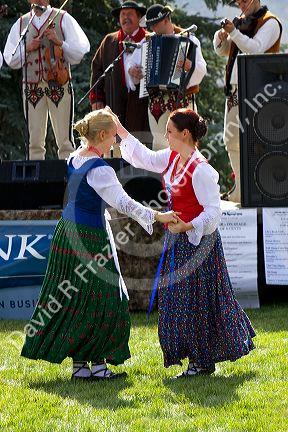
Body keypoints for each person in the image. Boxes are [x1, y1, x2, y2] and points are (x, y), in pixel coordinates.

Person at [21, 108, 178, 381]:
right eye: (114, 138)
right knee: (105, 300)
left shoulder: (75, 158)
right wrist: (158, 215)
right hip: (88, 238)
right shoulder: (100, 169)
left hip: (67, 232)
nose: (115, 144)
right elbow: (125, 204)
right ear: (102, 135)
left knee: (78, 299)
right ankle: (98, 367)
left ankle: (82, 367)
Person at [114, 107, 256, 378]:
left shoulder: (201, 170)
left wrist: (189, 225)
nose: (166, 136)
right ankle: (195, 358)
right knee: (178, 301)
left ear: (185, 134)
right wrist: (119, 129)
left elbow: (214, 212)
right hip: (178, 240)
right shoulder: (171, 158)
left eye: (169, 131)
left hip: (199, 243)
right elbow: (144, 157)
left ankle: (201, 361)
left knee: (198, 302)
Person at [213, 0, 282, 202]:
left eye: (244, 0)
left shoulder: (270, 22)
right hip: (236, 88)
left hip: (258, 91)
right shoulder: (241, 22)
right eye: (238, 1)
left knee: (258, 141)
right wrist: (221, 36)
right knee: (232, 139)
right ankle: (241, 189)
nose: (241, 4)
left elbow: (255, 49)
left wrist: (234, 32)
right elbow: (223, 50)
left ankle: (260, 188)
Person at [4, 0, 90, 160]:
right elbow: (10, 59)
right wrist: (28, 48)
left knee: (65, 141)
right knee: (34, 142)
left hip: (59, 83)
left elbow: (79, 52)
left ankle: (68, 176)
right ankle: (35, 181)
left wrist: (60, 42)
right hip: (32, 87)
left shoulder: (63, 17)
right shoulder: (21, 23)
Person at [128, 4, 207, 151]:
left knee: (185, 145)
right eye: (151, 26)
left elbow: (202, 70)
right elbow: (132, 66)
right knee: (160, 147)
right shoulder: (147, 42)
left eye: (155, 24)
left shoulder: (189, 39)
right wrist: (134, 72)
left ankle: (186, 174)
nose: (153, 29)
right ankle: (165, 174)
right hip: (156, 103)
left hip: (182, 100)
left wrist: (189, 65)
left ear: (166, 20)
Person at [90, 1, 150, 155]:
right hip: (115, 106)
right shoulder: (110, 41)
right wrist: (97, 99)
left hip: (142, 110)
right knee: (116, 155)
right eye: (123, 15)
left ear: (138, 17)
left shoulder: (149, 40)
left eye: (130, 14)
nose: (126, 18)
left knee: (139, 155)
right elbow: (97, 69)